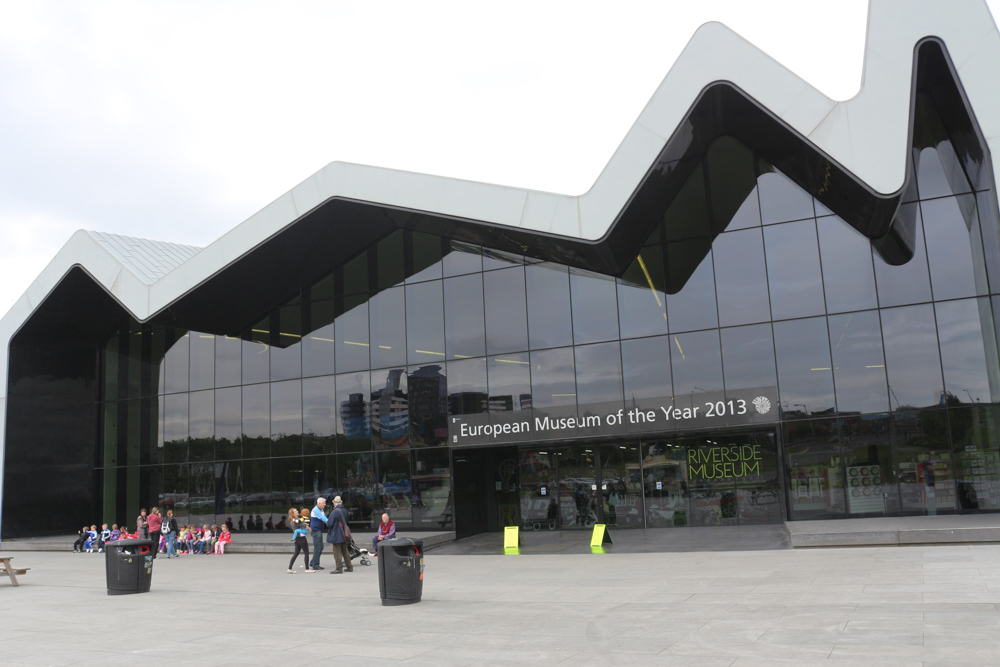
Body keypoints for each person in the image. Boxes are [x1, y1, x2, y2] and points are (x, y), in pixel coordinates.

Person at [325, 496, 353, 574]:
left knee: (337, 553)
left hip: (336, 534)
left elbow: (329, 524)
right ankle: (349, 567)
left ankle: (339, 568)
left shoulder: (334, 512)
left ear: (334, 503)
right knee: (345, 551)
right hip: (344, 533)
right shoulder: (345, 511)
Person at [287, 508, 313, 573]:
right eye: (295, 511)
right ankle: (307, 569)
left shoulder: (292, 521)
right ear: (293, 514)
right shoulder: (297, 520)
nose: (297, 511)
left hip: (297, 539)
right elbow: (303, 525)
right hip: (301, 538)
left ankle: (289, 568)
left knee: (296, 553)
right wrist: (309, 528)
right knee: (306, 552)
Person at [308, 497, 330, 571]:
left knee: (320, 547)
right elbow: (323, 519)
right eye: (323, 503)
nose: (325, 504)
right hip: (316, 530)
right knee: (318, 547)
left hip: (318, 530)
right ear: (319, 503)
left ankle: (312, 562)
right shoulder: (316, 510)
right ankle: (315, 565)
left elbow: (324, 517)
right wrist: (330, 523)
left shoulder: (320, 509)